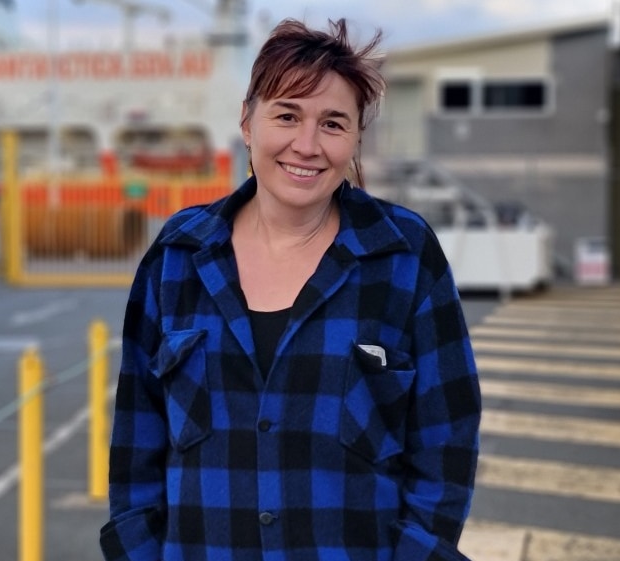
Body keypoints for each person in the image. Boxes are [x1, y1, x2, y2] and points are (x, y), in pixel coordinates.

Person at [100, 17, 481, 561]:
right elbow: (138, 439)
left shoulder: (403, 254)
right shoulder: (178, 257)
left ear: (353, 141)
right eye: (287, 115)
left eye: (332, 123)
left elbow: (447, 439)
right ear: (247, 122)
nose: (306, 145)